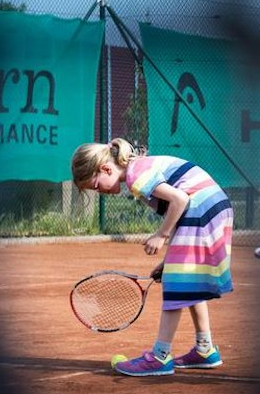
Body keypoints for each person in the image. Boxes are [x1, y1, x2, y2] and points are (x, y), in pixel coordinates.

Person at [71, 138, 232, 376]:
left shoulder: (137, 176)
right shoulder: (140, 170)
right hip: (211, 207)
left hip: (202, 209)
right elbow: (178, 211)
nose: (99, 192)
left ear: (106, 169)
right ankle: (205, 349)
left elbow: (181, 200)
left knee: (177, 286)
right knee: (187, 280)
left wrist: (161, 235)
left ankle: (159, 356)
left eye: (96, 186)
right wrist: (169, 262)